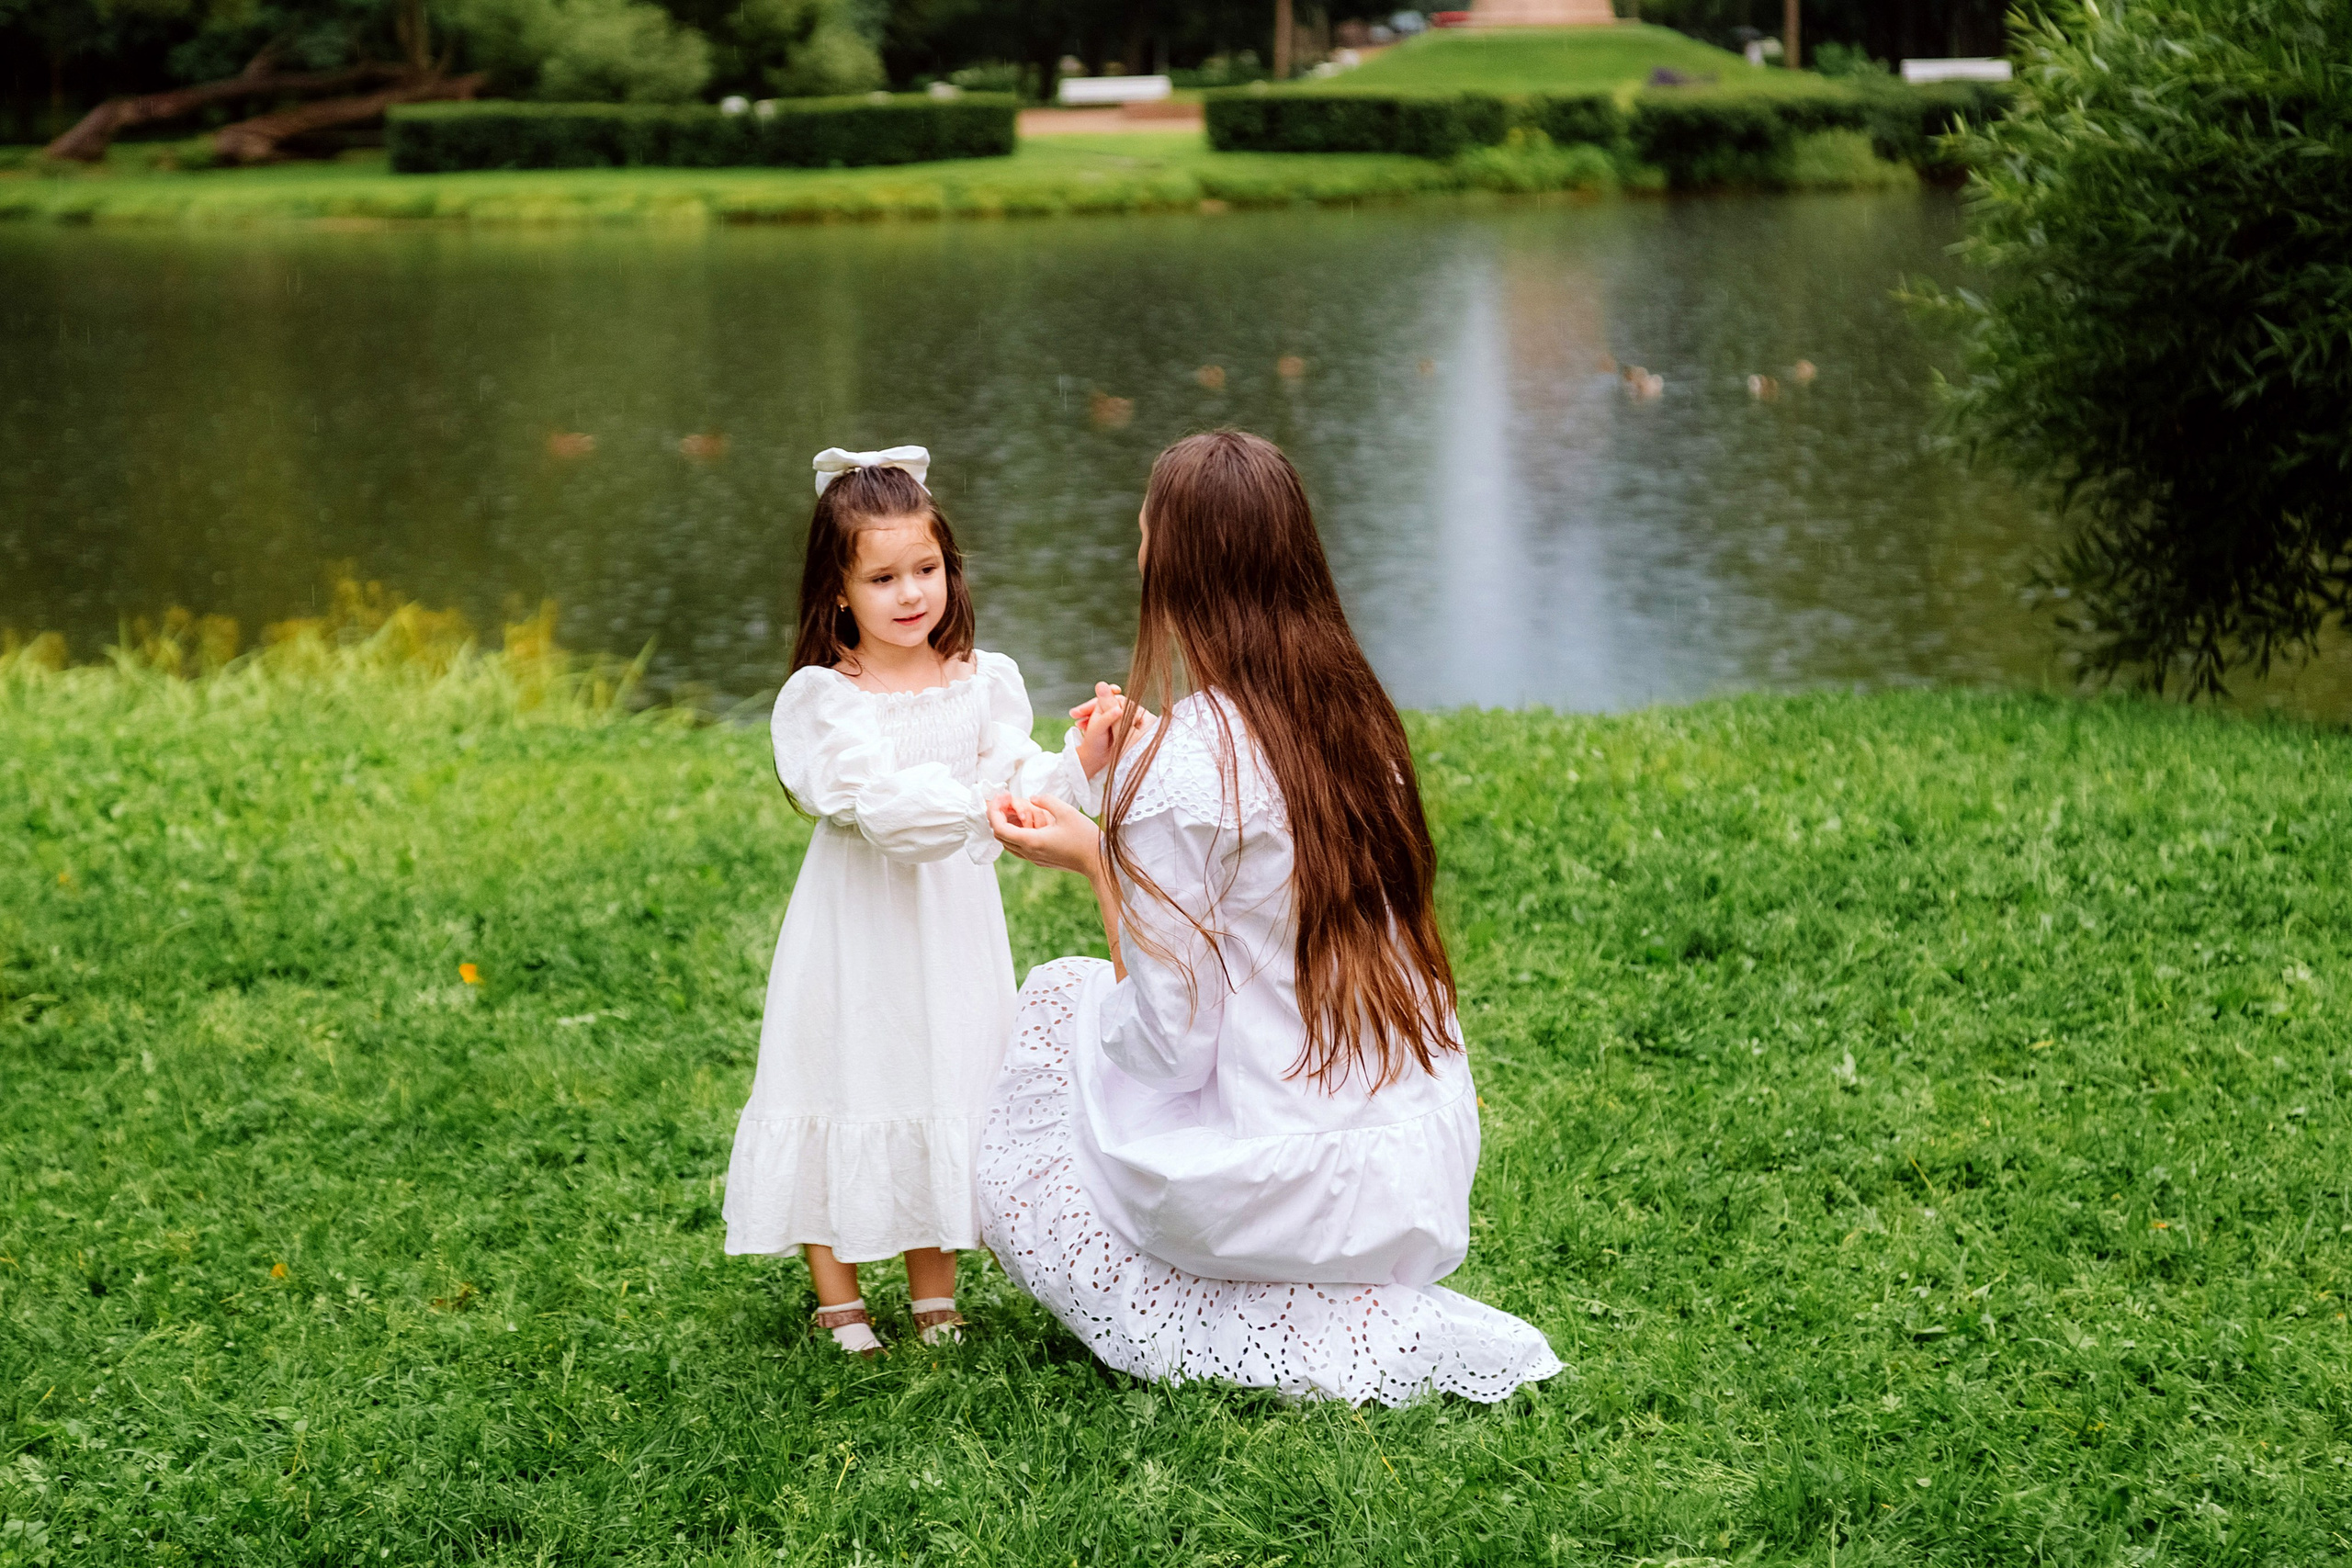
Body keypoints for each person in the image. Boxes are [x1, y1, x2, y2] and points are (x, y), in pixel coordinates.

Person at [980, 431, 1561, 1405]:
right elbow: (1256, 836)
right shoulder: (1355, 719)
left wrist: (1098, 859)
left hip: (1286, 1180)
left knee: (1054, 1006)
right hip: (1414, 1165)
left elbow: (1165, 1048)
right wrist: (1145, 776)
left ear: (1172, 567)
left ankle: (1222, 1307)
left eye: (1142, 535)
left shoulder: (1186, 765)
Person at [722, 445, 1127, 1358]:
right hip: (858, 923)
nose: (911, 594)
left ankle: (933, 1293)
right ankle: (839, 1299)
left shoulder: (980, 680)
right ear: (838, 591)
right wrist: (982, 806)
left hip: (950, 924)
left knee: (944, 1071)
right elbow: (879, 806)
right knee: (845, 1069)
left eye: (926, 569)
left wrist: (1081, 761)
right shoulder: (826, 699)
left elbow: (1018, 781)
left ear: (951, 568)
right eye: (882, 578)